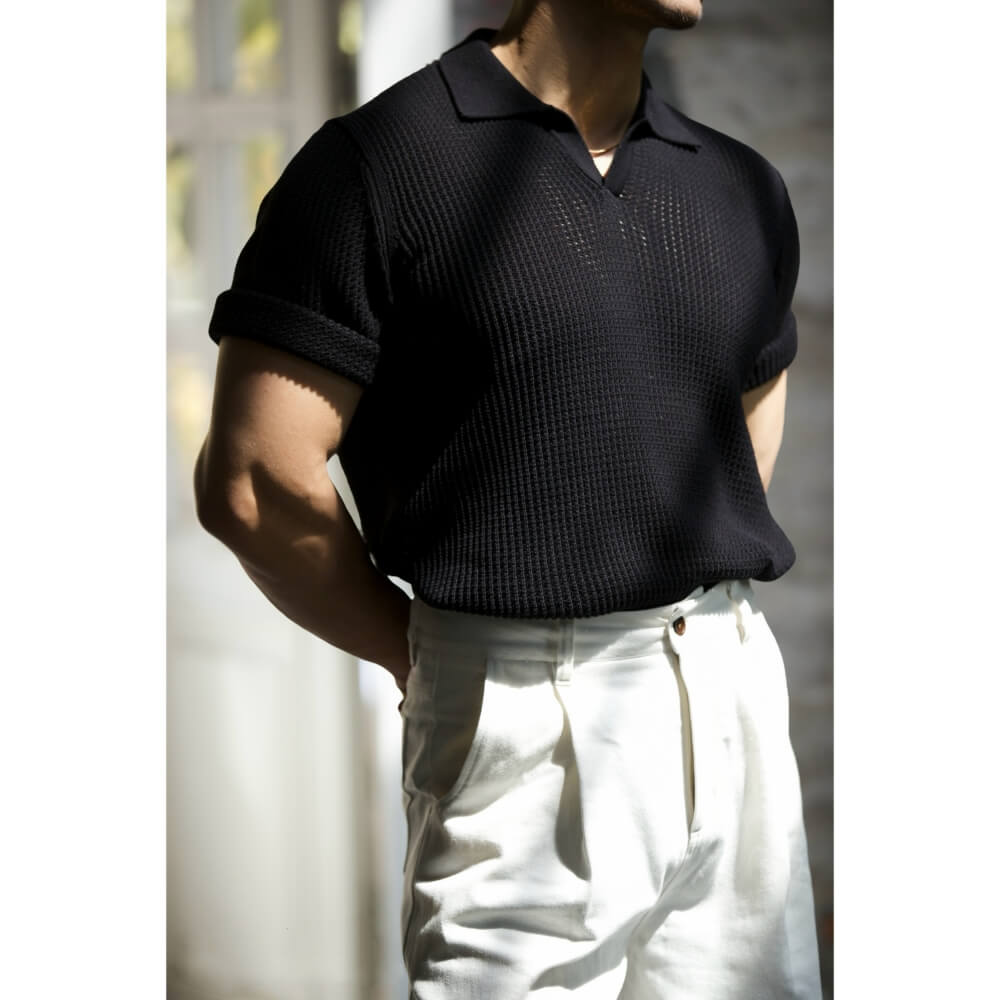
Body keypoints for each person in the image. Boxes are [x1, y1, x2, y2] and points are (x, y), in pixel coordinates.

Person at [193, 0, 823, 996]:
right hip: (521, 720)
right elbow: (255, 480)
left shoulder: (738, 186)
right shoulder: (375, 167)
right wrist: (420, 652)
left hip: (730, 697)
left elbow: (736, 448)